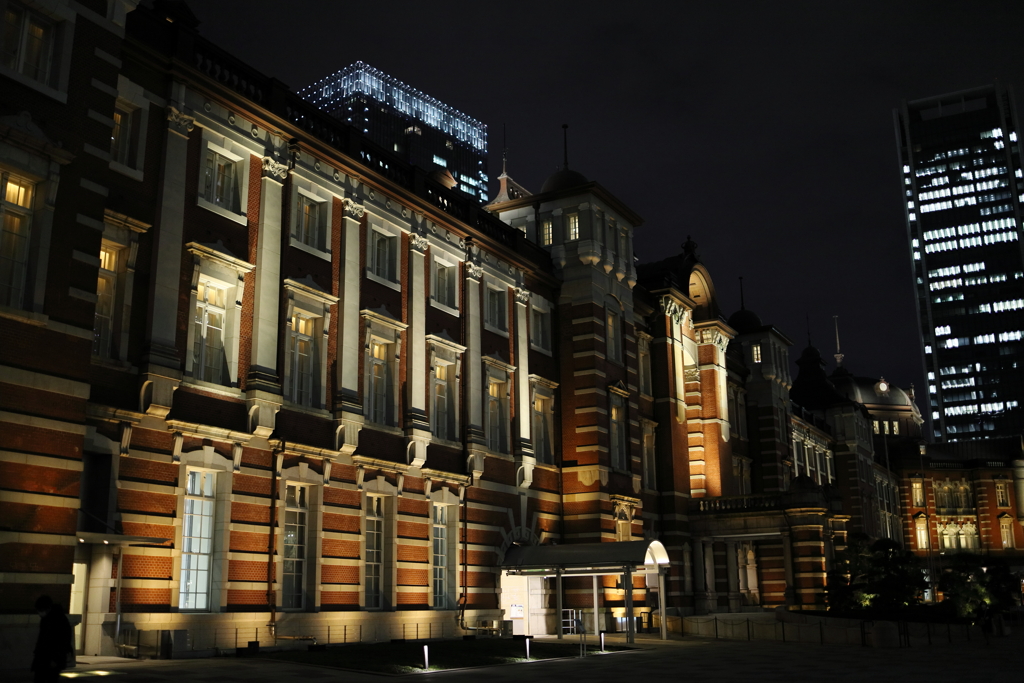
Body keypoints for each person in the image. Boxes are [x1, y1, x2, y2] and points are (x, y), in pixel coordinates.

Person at [31, 595, 73, 683]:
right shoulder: (48, 618)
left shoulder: (57, 620)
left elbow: (62, 641)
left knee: (48, 679)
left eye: (40, 610)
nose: (39, 613)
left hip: (52, 659)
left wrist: (55, 659)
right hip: (45, 657)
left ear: (46, 609)